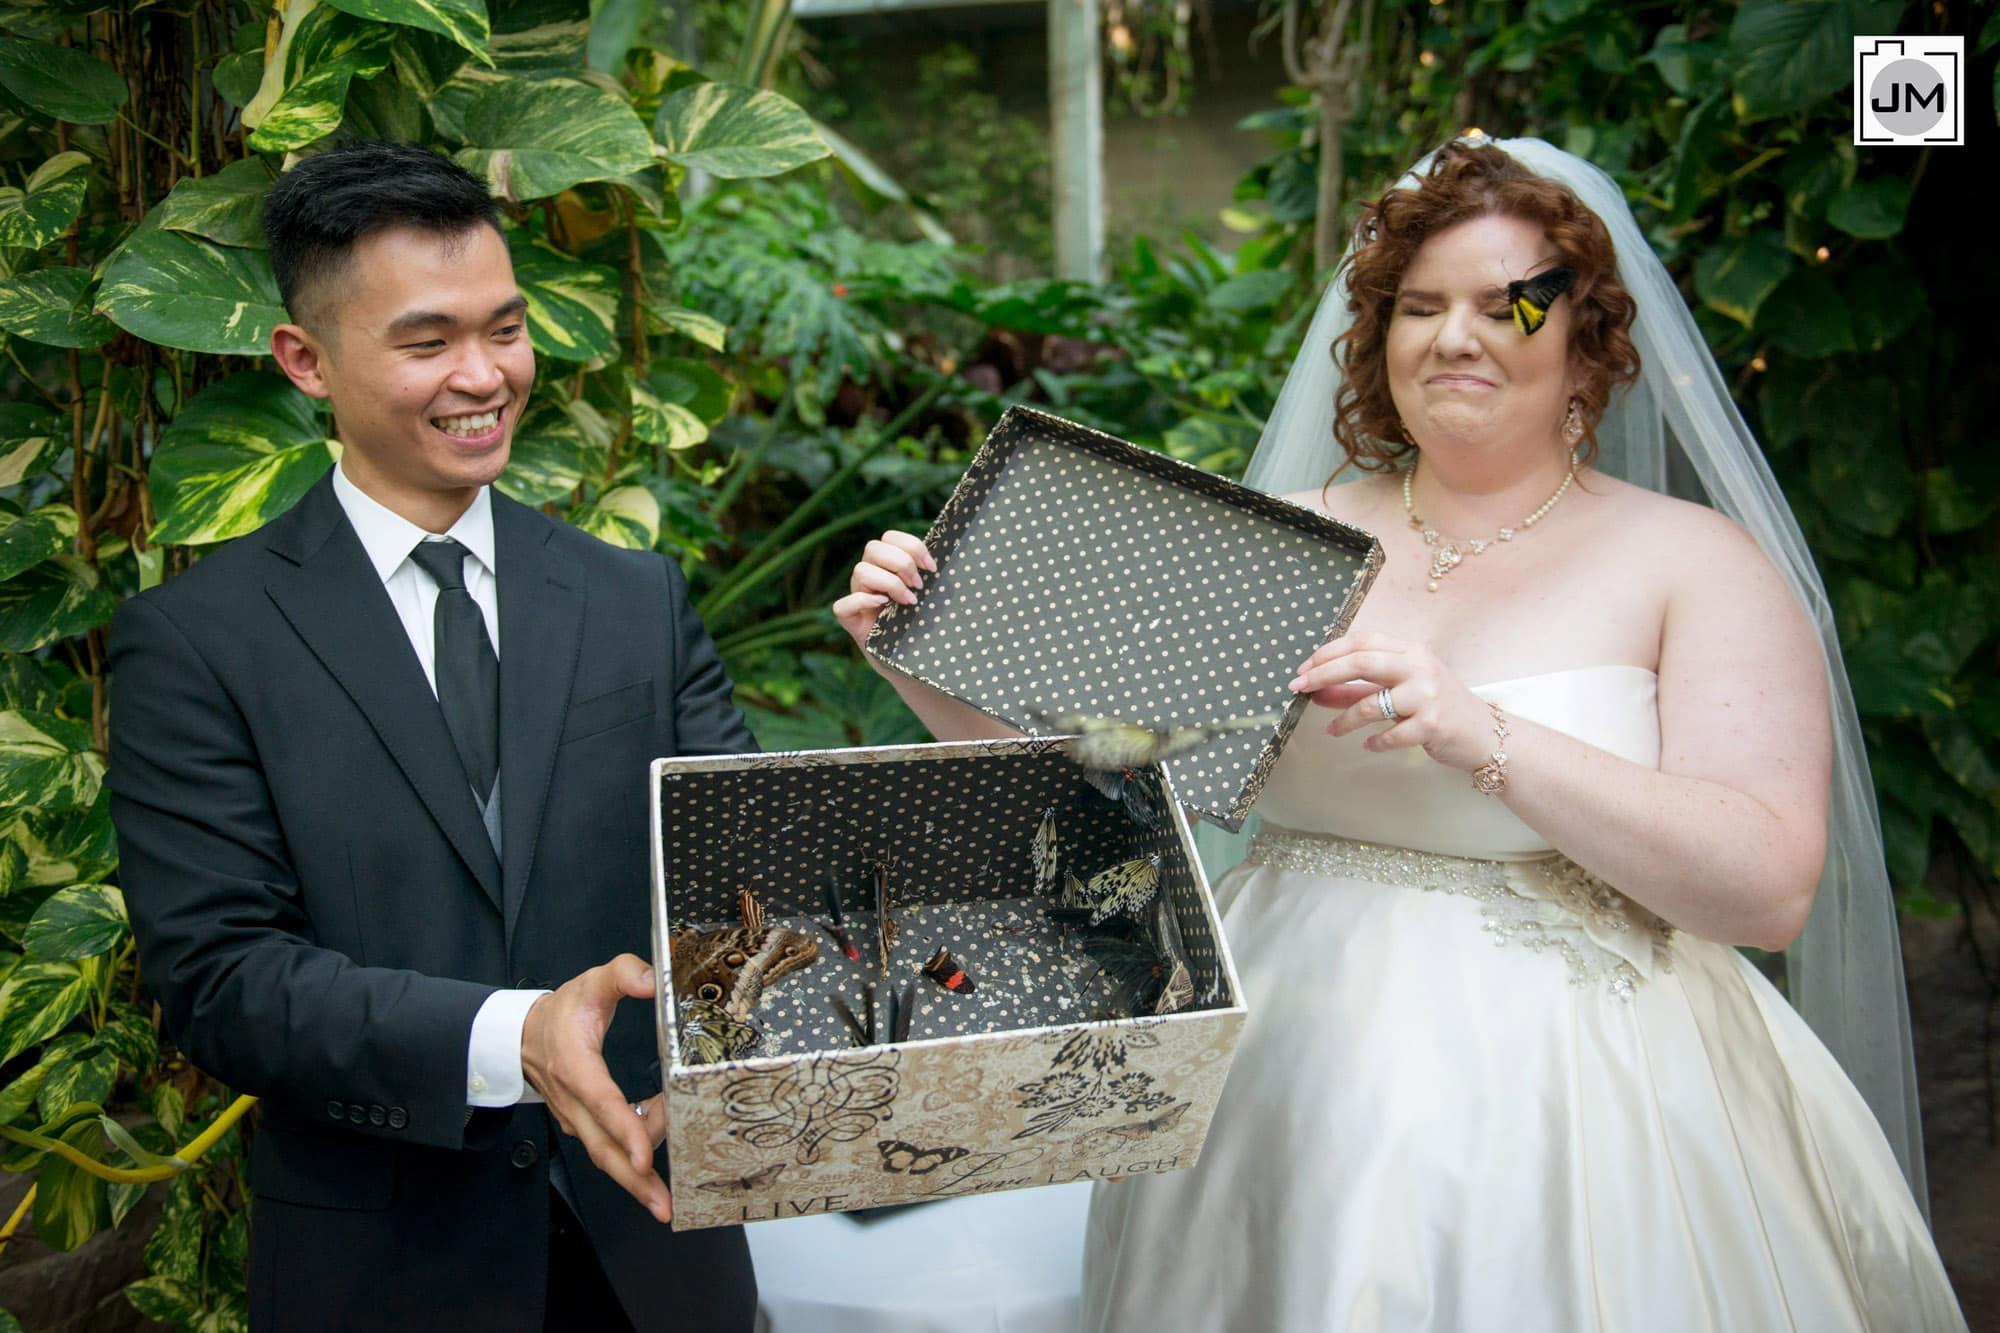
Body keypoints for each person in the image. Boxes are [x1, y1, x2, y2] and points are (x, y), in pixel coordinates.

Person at [835, 138, 1966, 1331]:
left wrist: (1485, 733)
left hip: (1584, 1100)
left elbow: (1767, 887)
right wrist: (921, 658)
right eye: (1417, 305)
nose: (1454, 335)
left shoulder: (1692, 562)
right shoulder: (1276, 541)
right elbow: (1109, 815)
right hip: (1280, 1076)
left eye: (1505, 304)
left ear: (1586, 339)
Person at [109, 142, 758, 1332]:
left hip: (658, 1251)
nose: (484, 374)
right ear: (305, 359)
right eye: (427, 342)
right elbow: (219, 978)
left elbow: (746, 875)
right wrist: (514, 1034)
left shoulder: (634, 600)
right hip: (387, 1277)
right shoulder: (196, 641)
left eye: (504, 329)